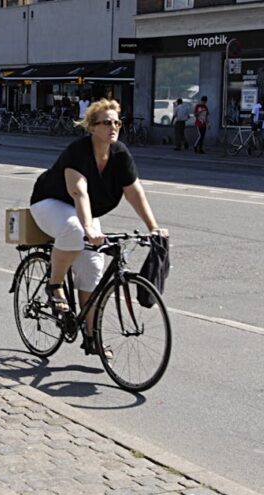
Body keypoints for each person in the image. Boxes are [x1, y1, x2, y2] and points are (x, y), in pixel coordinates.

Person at [27, 99, 168, 356]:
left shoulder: (120, 154)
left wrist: (154, 227)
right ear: (92, 127)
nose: (113, 127)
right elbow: (78, 191)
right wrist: (89, 228)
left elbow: (135, 193)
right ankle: (54, 284)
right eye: (106, 122)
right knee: (74, 229)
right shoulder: (78, 151)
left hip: (86, 212)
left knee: (92, 268)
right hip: (50, 202)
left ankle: (92, 338)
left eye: (117, 122)